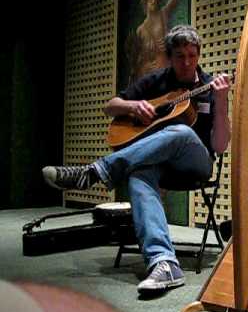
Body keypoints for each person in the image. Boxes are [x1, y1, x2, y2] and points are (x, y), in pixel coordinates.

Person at [42, 25, 231, 294]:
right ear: (169, 57)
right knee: (139, 174)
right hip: (159, 164)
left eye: (192, 55)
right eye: (179, 56)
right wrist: (133, 106)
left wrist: (222, 103)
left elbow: (220, 146)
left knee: (179, 131)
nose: (187, 62)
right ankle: (164, 263)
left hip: (196, 162)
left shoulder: (211, 87)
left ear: (199, 54)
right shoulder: (157, 81)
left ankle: (96, 172)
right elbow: (111, 106)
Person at [126, 0, 178, 82]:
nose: (154, 1)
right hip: (150, 71)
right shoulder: (140, 29)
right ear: (145, 3)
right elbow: (140, 57)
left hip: (165, 65)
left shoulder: (163, 14)